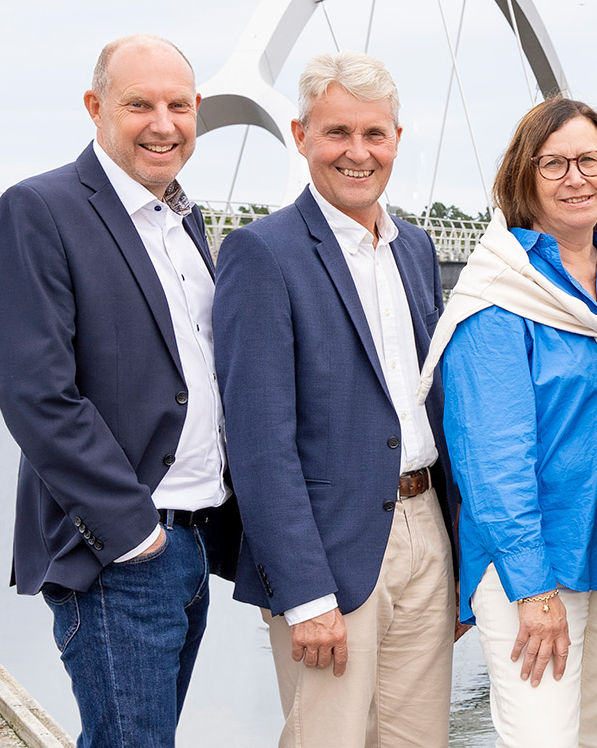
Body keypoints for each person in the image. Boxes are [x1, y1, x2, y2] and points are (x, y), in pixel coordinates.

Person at [0, 34, 240, 748]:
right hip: (121, 551)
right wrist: (135, 535)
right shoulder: (40, 209)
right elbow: (37, 393)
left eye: (179, 105)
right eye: (139, 104)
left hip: (192, 541)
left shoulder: (184, 218)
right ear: (95, 107)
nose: (163, 123)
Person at [213, 51, 457, 747]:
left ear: (398, 141)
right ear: (299, 135)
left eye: (374, 134)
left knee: (418, 738)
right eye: (337, 132)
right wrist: (305, 592)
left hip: (424, 527)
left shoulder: (415, 247)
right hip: (328, 549)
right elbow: (259, 441)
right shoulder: (263, 253)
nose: (358, 152)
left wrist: (460, 554)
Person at [421, 97, 597, 747]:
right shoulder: (499, 294)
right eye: (555, 164)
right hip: (536, 568)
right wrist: (533, 587)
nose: (575, 177)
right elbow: (491, 462)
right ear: (525, 176)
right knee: (541, 738)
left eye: (588, 160)